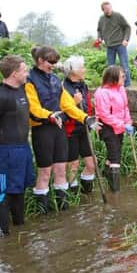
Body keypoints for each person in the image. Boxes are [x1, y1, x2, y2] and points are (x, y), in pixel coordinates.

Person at [25, 46, 98, 213]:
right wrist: (51, 115)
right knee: (45, 172)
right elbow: (33, 108)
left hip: (59, 130)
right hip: (42, 130)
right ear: (40, 61)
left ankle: (63, 211)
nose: (53, 65)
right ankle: (43, 212)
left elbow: (67, 104)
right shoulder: (29, 80)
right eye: (50, 62)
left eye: (55, 62)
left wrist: (85, 118)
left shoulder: (55, 80)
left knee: (60, 170)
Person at [0, 55, 34, 237]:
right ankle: (4, 236)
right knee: (5, 192)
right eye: (24, 70)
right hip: (5, 151)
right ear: (13, 73)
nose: (27, 72)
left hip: (23, 148)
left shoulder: (22, 89)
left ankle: (20, 233)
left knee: (19, 189)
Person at [94, 66, 134, 192]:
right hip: (107, 127)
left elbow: (125, 107)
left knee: (115, 153)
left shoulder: (121, 89)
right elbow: (104, 115)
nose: (124, 78)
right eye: (122, 76)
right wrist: (122, 124)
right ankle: (115, 190)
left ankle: (106, 174)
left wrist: (128, 122)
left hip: (120, 125)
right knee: (115, 156)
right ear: (113, 77)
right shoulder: (101, 93)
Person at [61, 55, 97, 194]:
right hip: (71, 130)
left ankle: (86, 194)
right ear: (73, 71)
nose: (84, 70)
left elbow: (87, 105)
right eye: (82, 67)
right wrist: (75, 102)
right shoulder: (63, 87)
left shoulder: (83, 85)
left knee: (91, 164)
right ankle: (73, 194)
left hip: (84, 129)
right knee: (73, 165)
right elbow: (64, 109)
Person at [97, 2, 132, 88]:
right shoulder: (101, 19)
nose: (109, 10)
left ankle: (126, 85)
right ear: (103, 10)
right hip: (109, 46)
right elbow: (99, 30)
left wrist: (126, 39)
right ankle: (112, 84)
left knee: (124, 64)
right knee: (110, 67)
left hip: (120, 44)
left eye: (110, 8)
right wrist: (99, 38)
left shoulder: (118, 16)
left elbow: (127, 27)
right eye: (106, 9)